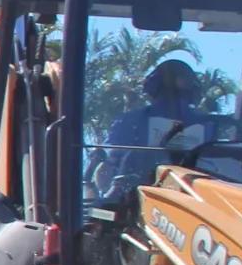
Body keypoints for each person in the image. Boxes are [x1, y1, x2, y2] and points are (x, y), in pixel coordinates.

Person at [88, 56, 206, 200]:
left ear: (151, 86)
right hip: (196, 197)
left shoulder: (133, 120)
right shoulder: (209, 126)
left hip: (138, 203)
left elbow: (107, 170)